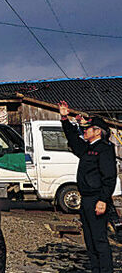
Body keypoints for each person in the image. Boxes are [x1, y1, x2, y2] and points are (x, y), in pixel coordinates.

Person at [60, 100, 117, 273]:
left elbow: (109, 177)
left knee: (99, 240)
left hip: (96, 199)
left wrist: (103, 199)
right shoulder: (87, 148)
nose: (84, 131)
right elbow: (71, 137)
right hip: (85, 200)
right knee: (90, 241)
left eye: (87, 129)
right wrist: (64, 117)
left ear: (98, 131)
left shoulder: (104, 150)